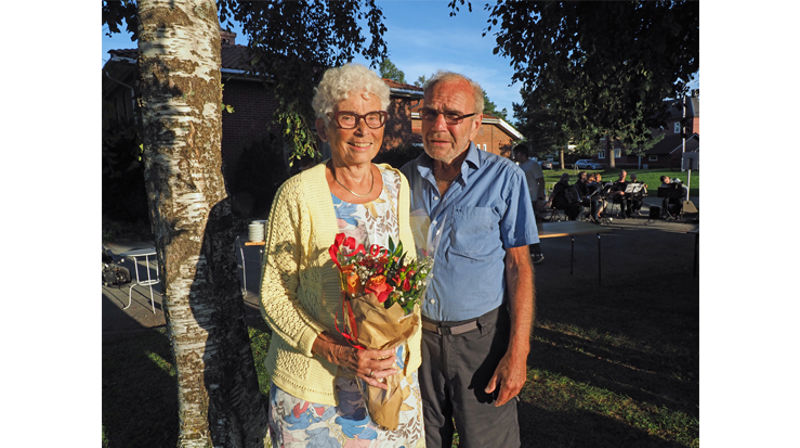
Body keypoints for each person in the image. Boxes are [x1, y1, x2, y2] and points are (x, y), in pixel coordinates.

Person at [260, 63, 425, 447]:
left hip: (391, 382)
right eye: (348, 117)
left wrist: (399, 353)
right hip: (316, 394)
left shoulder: (397, 186)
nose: (363, 130)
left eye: (373, 117)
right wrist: (336, 351)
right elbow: (273, 293)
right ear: (323, 127)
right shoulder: (297, 194)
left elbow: (409, 276)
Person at [401, 71, 536, 448]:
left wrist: (518, 353)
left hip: (481, 343)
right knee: (422, 441)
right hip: (417, 344)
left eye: (453, 115)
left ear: (477, 123)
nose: (439, 125)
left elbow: (519, 267)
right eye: (430, 113)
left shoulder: (505, 179)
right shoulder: (402, 181)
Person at [513, 143, 545, 264]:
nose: (514, 156)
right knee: (522, 226)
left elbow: (541, 181)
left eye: (515, 154)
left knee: (532, 226)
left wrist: (540, 197)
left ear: (521, 154)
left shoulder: (533, 165)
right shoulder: (519, 166)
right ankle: (526, 252)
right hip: (521, 199)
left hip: (532, 199)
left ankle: (537, 253)